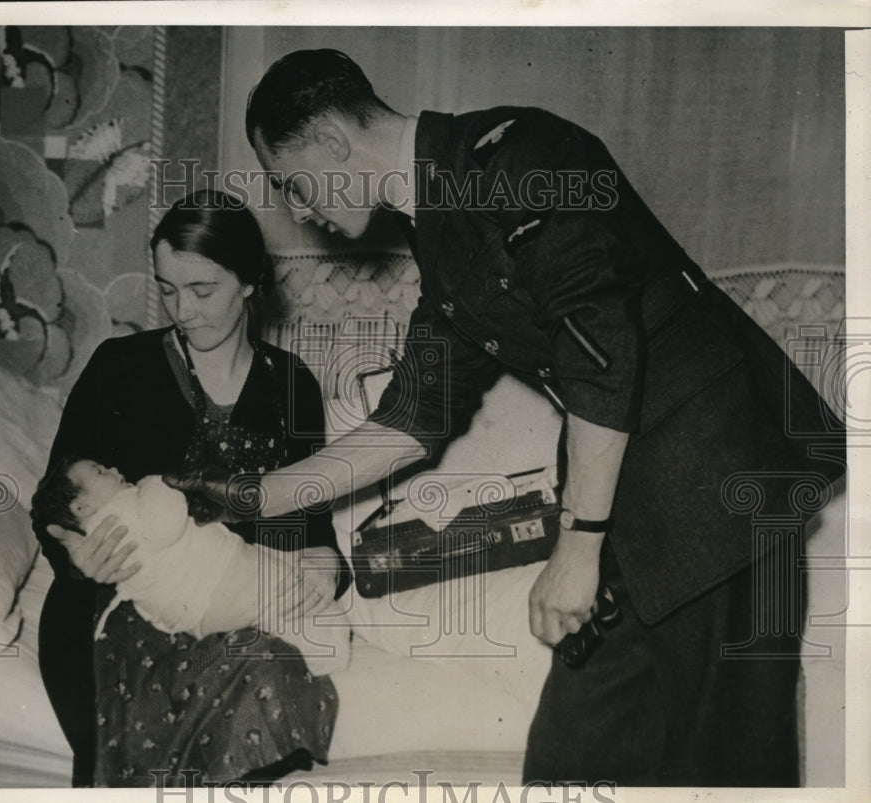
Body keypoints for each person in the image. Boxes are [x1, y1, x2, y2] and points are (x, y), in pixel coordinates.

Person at [176, 49, 846, 786]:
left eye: (292, 185)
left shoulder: (521, 155)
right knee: (572, 756)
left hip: (724, 483)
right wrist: (251, 496)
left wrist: (577, 547)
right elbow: (411, 419)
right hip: (640, 503)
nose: (299, 210)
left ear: (334, 143)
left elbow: (602, 349)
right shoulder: (443, 230)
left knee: (726, 772)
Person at [34, 188, 349, 787]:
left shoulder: (292, 387)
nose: (183, 309)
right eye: (168, 288)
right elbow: (52, 502)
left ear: (251, 281)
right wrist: (74, 553)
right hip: (112, 603)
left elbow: (310, 529)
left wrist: (324, 565)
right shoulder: (118, 367)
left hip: (229, 608)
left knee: (273, 673)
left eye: (203, 290)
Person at [31, 456, 351, 674]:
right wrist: (157, 483)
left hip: (195, 611)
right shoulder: (123, 508)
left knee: (276, 604)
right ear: (80, 506)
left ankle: (292, 651)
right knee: (285, 598)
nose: (113, 468)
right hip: (219, 581)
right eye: (101, 471)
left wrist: (324, 553)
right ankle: (324, 649)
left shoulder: (111, 514)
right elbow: (164, 523)